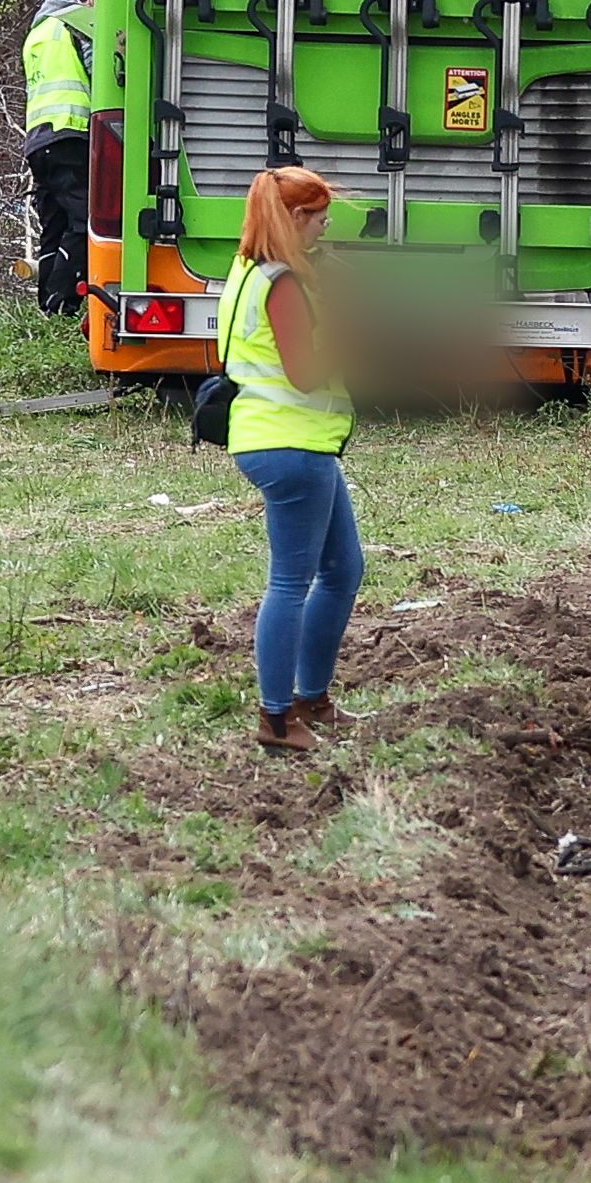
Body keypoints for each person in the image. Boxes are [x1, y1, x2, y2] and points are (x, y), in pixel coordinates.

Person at [218, 163, 360, 753]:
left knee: (344, 570)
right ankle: (276, 718)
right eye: (320, 219)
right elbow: (304, 375)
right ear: (296, 218)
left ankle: (311, 700)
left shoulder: (247, 270)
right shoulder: (281, 283)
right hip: (291, 443)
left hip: (283, 439)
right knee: (291, 582)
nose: (324, 230)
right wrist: (353, 334)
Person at [19, 0, 94, 315]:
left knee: (55, 224)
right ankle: (63, 302)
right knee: (86, 220)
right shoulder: (76, 24)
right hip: (70, 131)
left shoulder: (38, 32)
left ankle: (46, 306)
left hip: (38, 140)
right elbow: (100, 71)